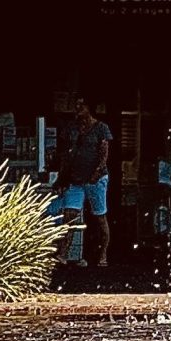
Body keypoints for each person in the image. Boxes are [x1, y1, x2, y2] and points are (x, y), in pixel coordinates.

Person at [56, 102, 115, 269]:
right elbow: (66, 155)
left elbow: (104, 153)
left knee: (99, 216)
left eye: (81, 106)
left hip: (95, 179)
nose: (77, 109)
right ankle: (63, 253)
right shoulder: (72, 128)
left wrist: (97, 172)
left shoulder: (101, 128)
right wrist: (62, 178)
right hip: (76, 179)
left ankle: (103, 253)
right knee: (69, 215)